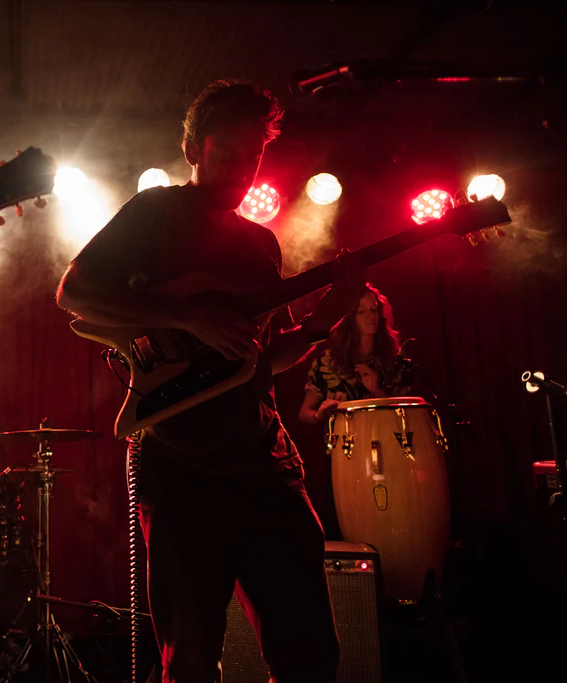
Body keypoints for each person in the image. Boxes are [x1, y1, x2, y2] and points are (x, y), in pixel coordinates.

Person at [56, 80, 366, 683]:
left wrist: (329, 314)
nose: (243, 170)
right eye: (227, 154)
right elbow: (74, 292)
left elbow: (261, 362)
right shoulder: (155, 212)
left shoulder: (261, 243)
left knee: (311, 656)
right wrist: (187, 315)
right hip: (180, 469)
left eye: (254, 157)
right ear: (193, 149)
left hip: (266, 464)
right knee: (191, 663)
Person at [299, 284, 413, 425]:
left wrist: (377, 391)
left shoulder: (393, 359)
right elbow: (304, 414)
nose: (371, 316)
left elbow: (408, 417)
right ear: (349, 318)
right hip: (343, 438)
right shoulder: (326, 362)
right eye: (362, 311)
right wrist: (318, 415)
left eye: (374, 309)